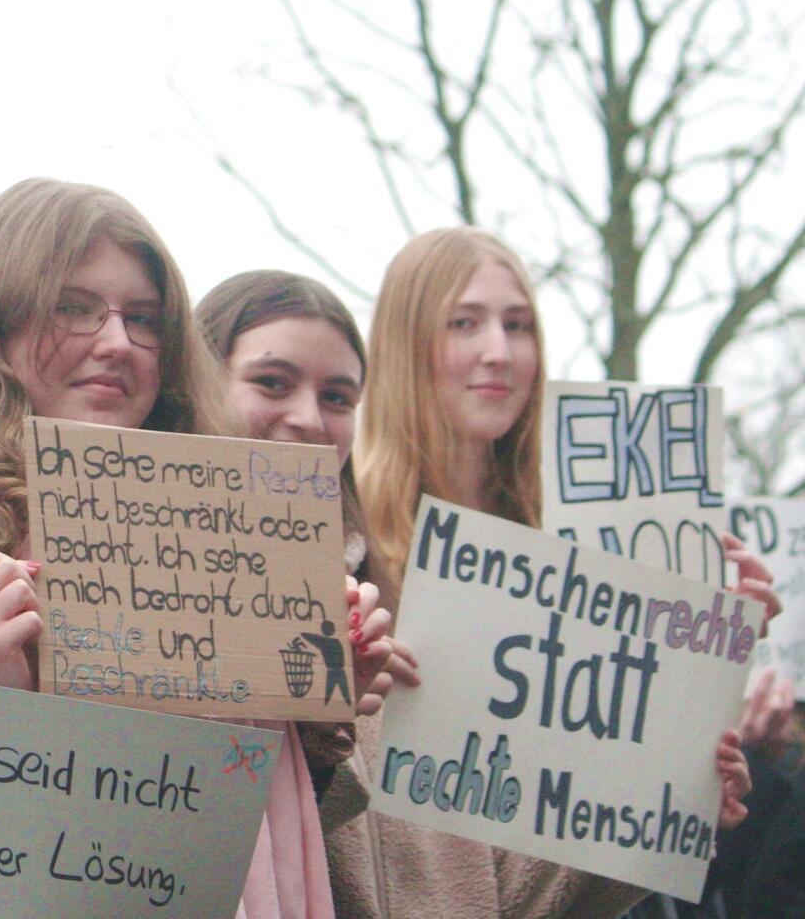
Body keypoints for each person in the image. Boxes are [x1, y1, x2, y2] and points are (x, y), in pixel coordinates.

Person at [0, 182, 398, 917]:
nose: (117, 342)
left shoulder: (222, 555)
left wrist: (315, 721)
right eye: (75, 306)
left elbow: (232, 846)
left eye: (144, 319)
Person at [324, 226, 764, 919]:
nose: (499, 352)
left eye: (519, 325)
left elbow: (580, 842)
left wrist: (707, 664)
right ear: (408, 344)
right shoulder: (341, 551)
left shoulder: (588, 563)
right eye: (464, 322)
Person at [197, 268, 419, 917]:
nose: (307, 419)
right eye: (272, 382)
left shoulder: (381, 604)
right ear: (201, 375)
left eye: (338, 398)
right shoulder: (108, 557)